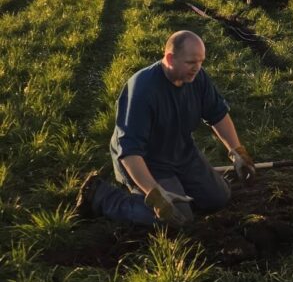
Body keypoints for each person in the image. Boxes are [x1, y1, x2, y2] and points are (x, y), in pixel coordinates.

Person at [76, 30, 256, 228]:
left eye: (201, 62)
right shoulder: (142, 90)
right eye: (191, 62)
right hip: (148, 162)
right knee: (176, 218)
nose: (197, 68)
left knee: (219, 198)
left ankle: (179, 187)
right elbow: (129, 152)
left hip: (182, 152)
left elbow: (218, 114)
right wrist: (155, 195)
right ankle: (103, 196)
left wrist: (237, 151)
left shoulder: (198, 78)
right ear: (170, 58)